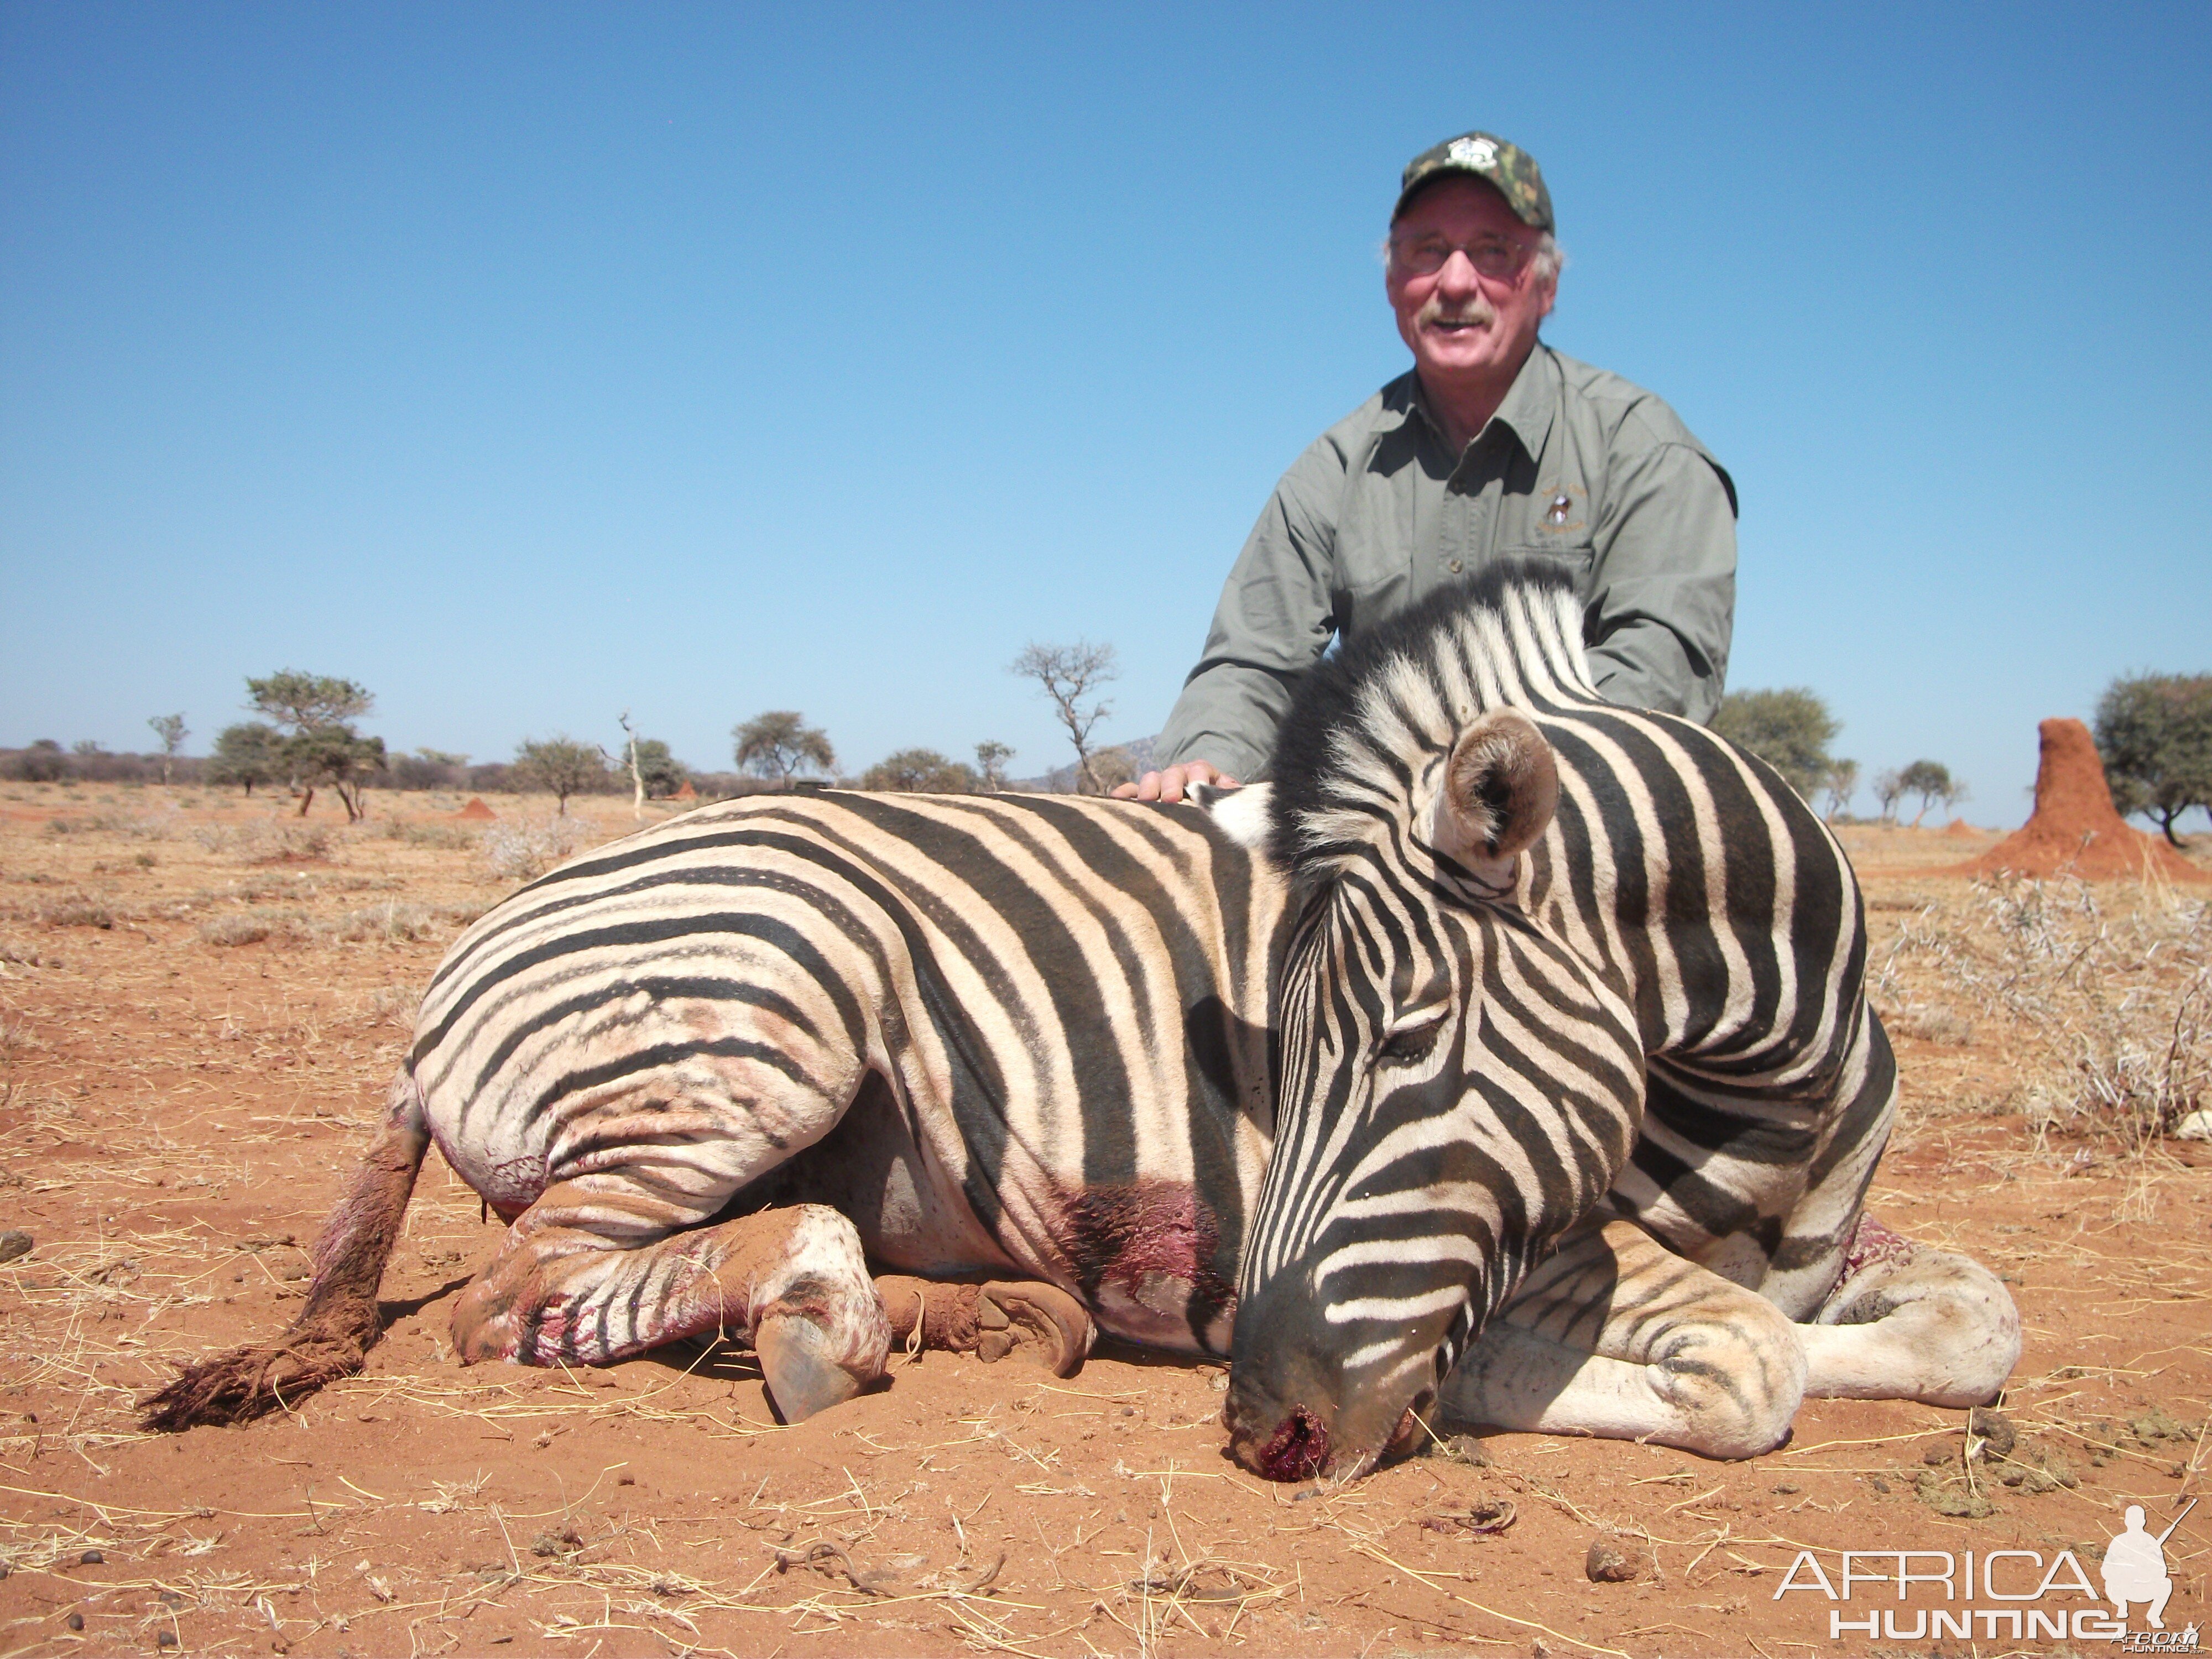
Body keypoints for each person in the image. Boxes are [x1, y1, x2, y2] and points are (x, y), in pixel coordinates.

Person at [1123, 130, 1738, 802]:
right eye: (1428, 251)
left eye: (1492, 251)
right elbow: (1252, 661)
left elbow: (1658, 674)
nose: (1454, 282)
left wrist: (1478, 792)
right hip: (1385, 853)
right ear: (1393, 283)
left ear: (1547, 284)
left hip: (1571, 831)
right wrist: (1206, 761)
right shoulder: (1333, 468)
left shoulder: (1643, 449)